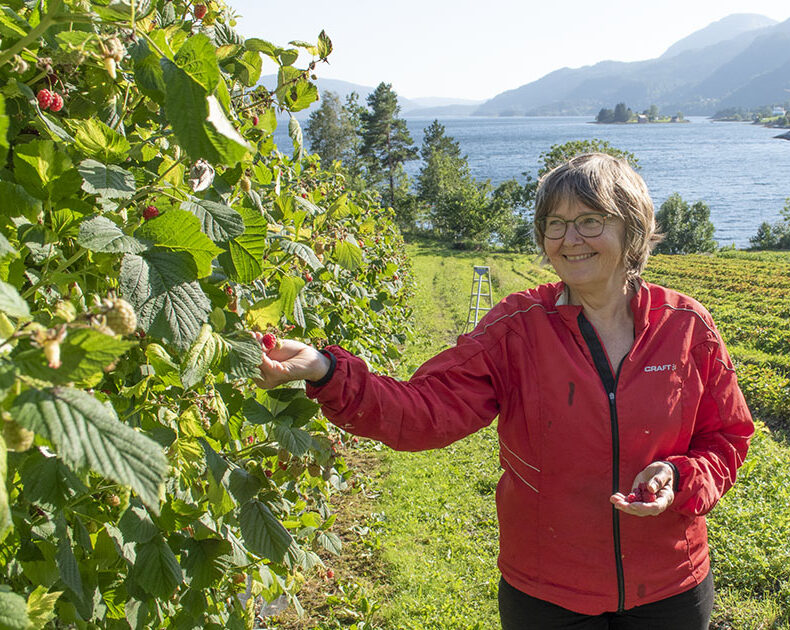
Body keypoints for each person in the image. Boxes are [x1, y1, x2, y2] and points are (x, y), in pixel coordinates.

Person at [255, 152, 755, 629]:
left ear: (633, 229)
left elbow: (728, 437)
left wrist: (680, 475)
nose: (569, 239)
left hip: (670, 585)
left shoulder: (685, 325)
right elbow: (424, 411)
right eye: (554, 223)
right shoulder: (518, 328)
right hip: (549, 592)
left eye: (589, 221)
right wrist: (325, 370)